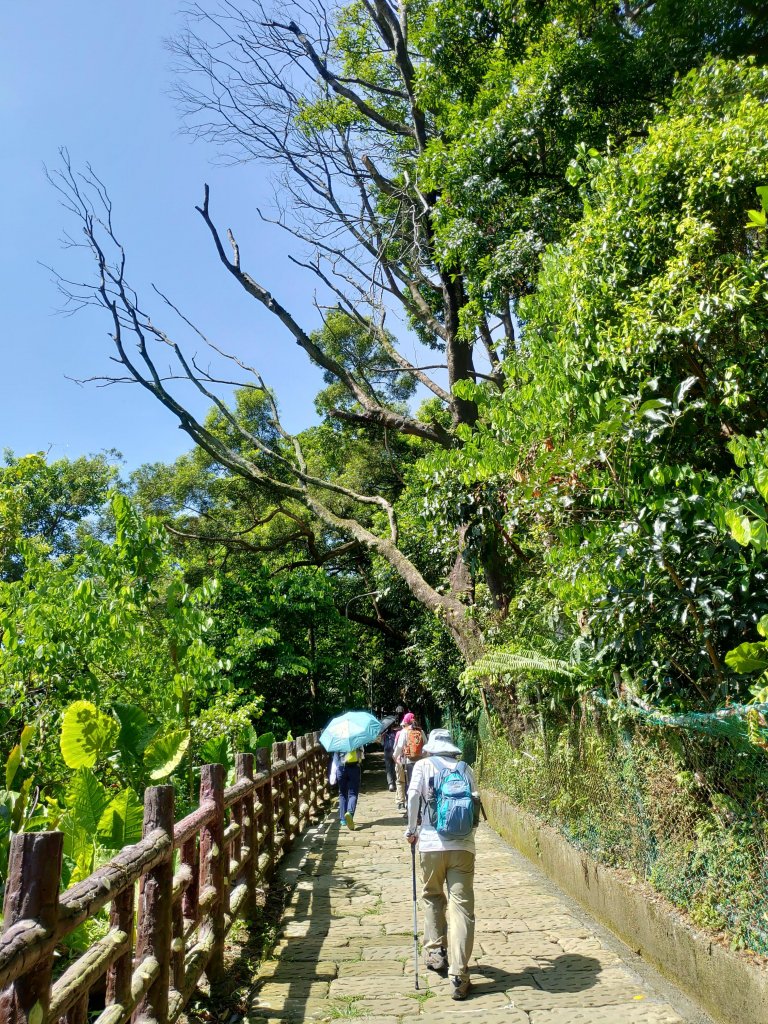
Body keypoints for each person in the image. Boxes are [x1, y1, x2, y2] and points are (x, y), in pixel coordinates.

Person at [405, 728, 477, 1001]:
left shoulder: (423, 766)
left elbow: (412, 797)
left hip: (431, 844)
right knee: (462, 909)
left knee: (433, 895)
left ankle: (435, 950)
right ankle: (459, 973)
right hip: (463, 847)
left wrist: (412, 829)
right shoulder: (465, 768)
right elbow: (474, 802)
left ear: (431, 748)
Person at [393, 712, 425, 809]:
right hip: (420, 762)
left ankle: (411, 810)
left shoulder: (404, 731)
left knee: (410, 785)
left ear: (406, 721)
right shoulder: (421, 731)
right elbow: (426, 746)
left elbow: (399, 747)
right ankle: (420, 811)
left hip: (409, 762)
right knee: (420, 785)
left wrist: (394, 757)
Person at [331, 746, 365, 830]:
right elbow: (362, 756)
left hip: (341, 769)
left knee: (342, 793)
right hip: (354, 768)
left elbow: (335, 759)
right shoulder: (357, 740)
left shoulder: (338, 742)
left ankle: (343, 819)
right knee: (353, 794)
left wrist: (333, 774)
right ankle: (350, 812)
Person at [382, 720, 398, 792]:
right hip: (394, 752)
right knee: (395, 767)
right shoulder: (396, 733)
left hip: (387, 752)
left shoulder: (384, 734)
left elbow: (382, 744)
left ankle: (390, 784)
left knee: (388, 769)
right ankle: (395, 783)